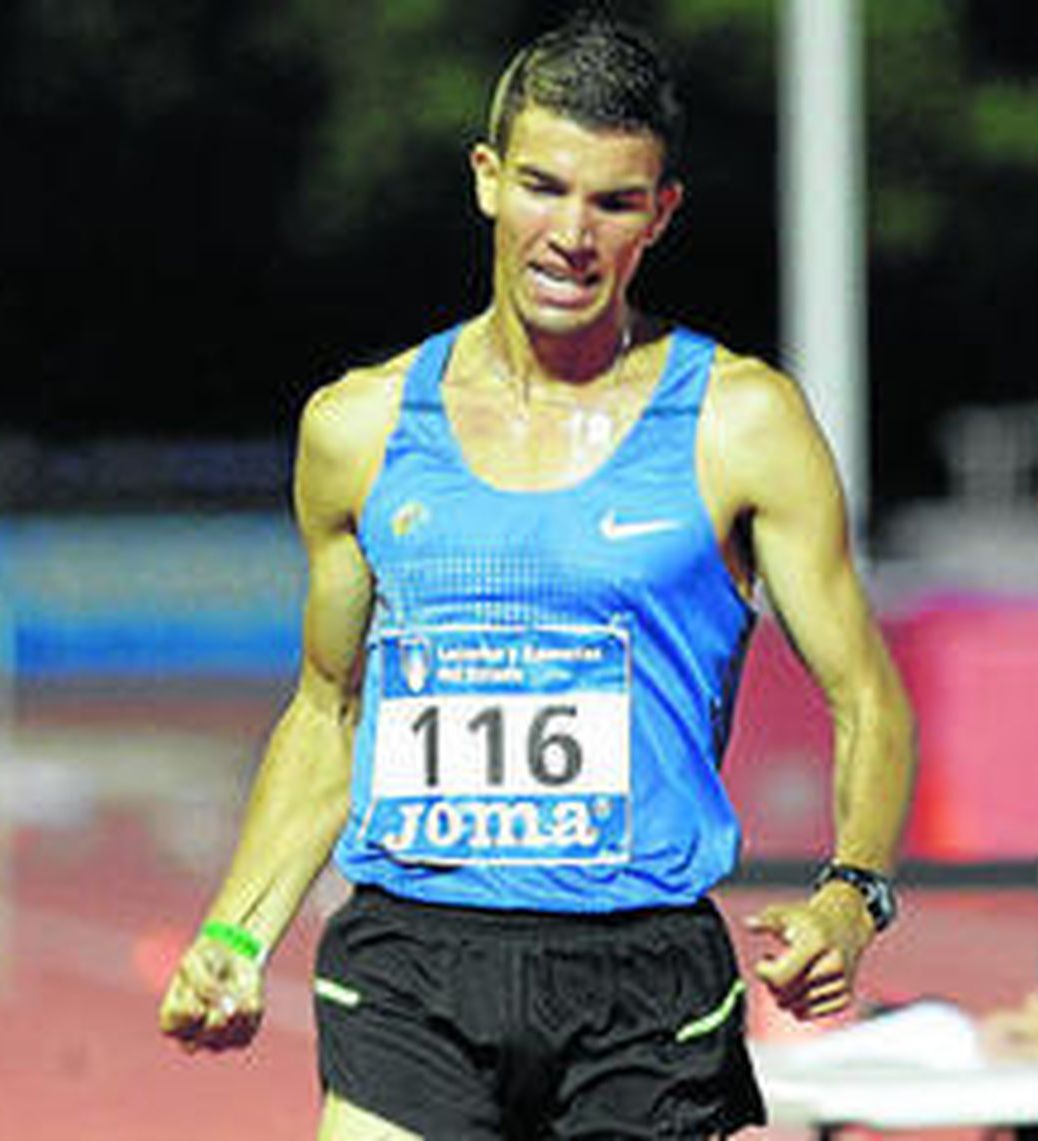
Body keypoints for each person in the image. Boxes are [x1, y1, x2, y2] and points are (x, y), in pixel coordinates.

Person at [159, 14, 916, 1139]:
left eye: (612, 202)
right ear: (486, 181)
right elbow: (330, 709)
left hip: (640, 979)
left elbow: (866, 697)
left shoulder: (740, 422)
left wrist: (851, 897)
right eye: (542, 187)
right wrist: (233, 934)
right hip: (410, 959)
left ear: (659, 215)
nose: (570, 234)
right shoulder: (358, 428)